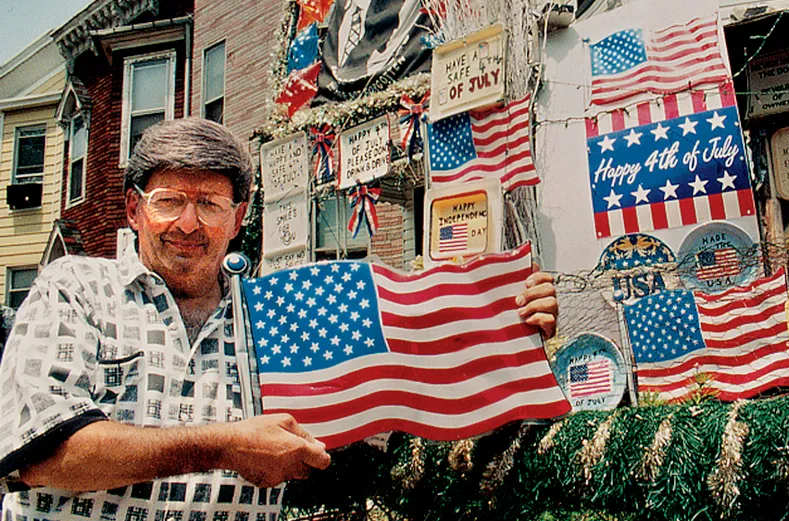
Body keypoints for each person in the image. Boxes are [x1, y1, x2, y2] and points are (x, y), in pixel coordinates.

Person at [0, 118, 558, 521]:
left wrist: (506, 318)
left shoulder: (275, 312)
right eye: (169, 200)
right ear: (133, 209)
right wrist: (221, 445)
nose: (188, 223)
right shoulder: (74, 289)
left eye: (211, 204)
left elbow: (411, 361)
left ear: (239, 218)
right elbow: (45, 456)